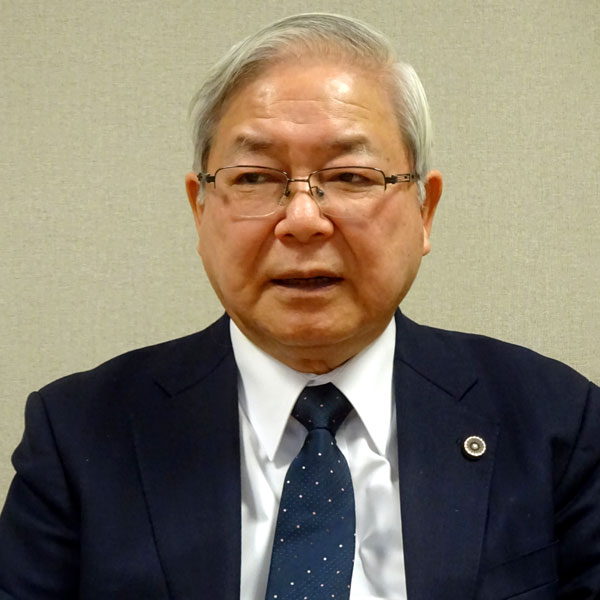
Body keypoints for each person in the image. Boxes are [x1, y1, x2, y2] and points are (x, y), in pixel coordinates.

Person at [0, 12, 598, 600]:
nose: (303, 219)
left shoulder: (555, 422)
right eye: (255, 178)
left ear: (425, 210)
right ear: (200, 211)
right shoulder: (80, 433)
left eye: (352, 177)